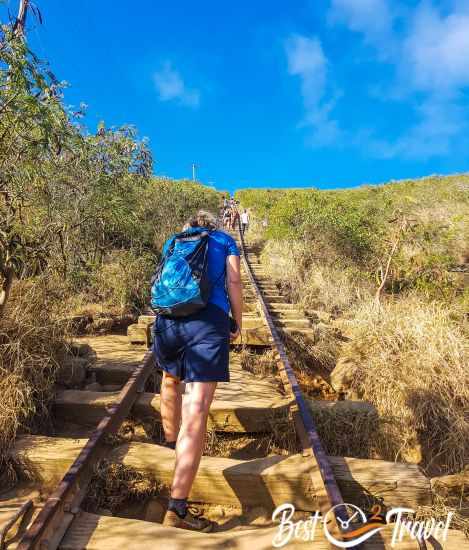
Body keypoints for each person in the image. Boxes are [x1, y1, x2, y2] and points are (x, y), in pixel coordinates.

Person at [153, 210, 243, 532]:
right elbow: (234, 280)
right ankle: (177, 508)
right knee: (197, 408)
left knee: (169, 379)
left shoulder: (173, 241)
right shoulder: (224, 239)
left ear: (188, 226)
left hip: (168, 321)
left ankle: (168, 442)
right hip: (208, 321)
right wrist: (238, 321)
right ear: (212, 224)